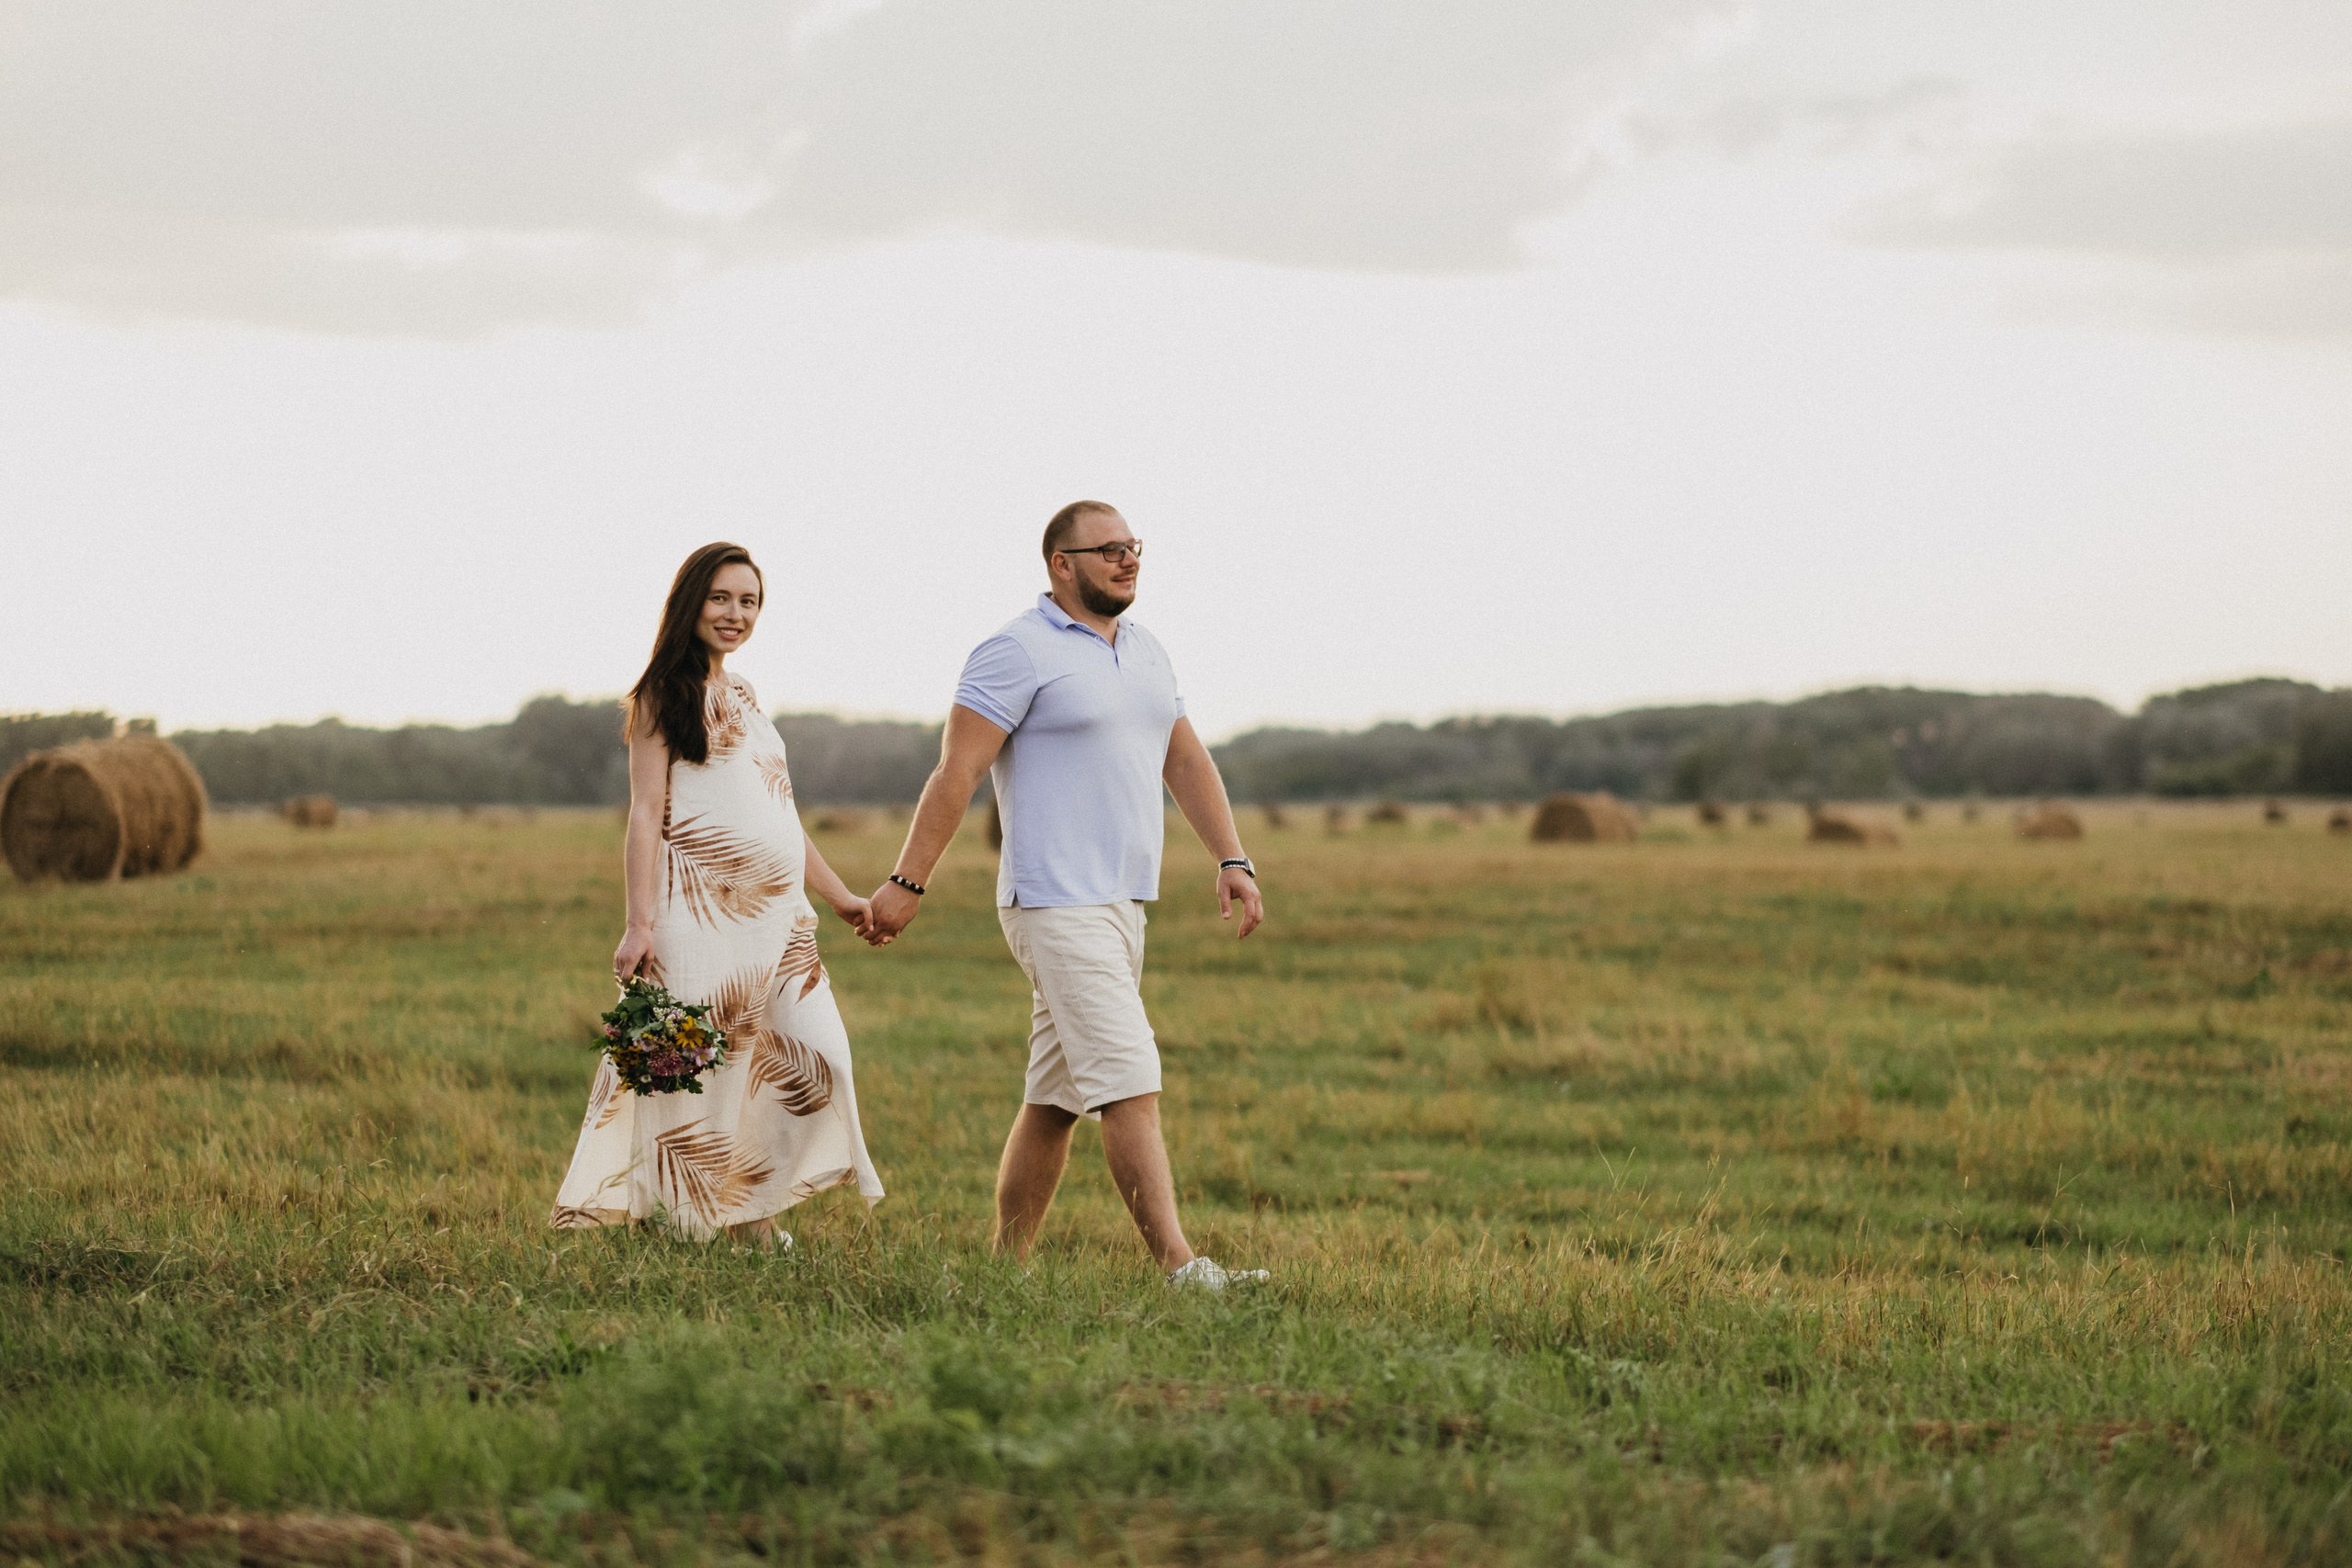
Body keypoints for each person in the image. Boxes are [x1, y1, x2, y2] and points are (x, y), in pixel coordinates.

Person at [864, 502, 1267, 1291]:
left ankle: (1003, 1271)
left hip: (1123, 901)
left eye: (1133, 546)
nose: (1128, 559)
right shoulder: (1015, 649)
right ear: (1061, 562)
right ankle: (1182, 1269)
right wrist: (909, 880)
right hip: (1052, 900)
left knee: (1055, 1098)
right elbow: (957, 770)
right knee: (1130, 1077)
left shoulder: (1147, 650)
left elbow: (1185, 760)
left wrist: (1232, 856)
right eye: (1108, 548)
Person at [550, 542, 884, 1244]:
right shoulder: (660, 694)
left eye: (749, 601)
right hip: (699, 917)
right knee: (700, 1074)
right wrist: (639, 923)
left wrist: (839, 896)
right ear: (691, 602)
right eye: (722, 598)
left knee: (817, 1055)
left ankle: (743, 1210)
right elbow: (646, 811)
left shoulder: (746, 694)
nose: (736, 613)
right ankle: (706, 1226)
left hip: (778, 921)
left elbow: (780, 813)